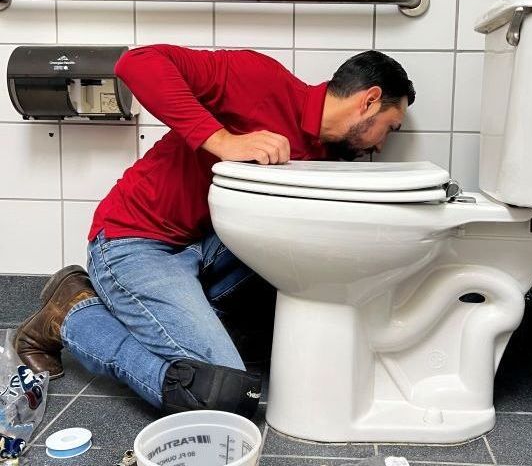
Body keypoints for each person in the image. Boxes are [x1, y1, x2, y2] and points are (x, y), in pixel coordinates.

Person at [14, 46, 415, 419]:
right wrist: (223, 141)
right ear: (368, 100)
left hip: (202, 249)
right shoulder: (261, 80)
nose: (381, 145)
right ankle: (69, 315)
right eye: (389, 127)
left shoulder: (328, 154)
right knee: (222, 393)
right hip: (134, 241)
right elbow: (136, 63)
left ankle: (171, 318)